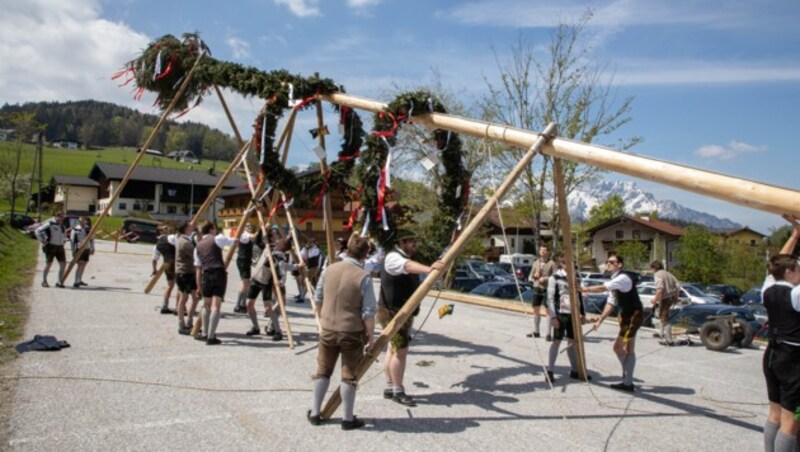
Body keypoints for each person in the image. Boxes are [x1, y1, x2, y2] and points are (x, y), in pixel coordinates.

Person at [308, 235, 376, 430]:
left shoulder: (329, 269)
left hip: (328, 328)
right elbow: (368, 312)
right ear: (365, 254)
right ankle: (347, 418)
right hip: (351, 331)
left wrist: (322, 320)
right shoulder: (363, 276)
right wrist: (371, 337)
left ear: (347, 249)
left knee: (322, 370)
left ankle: (314, 412)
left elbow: (318, 297)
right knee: (349, 375)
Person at [378, 229, 444, 406]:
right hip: (392, 311)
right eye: (410, 241)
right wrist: (430, 269)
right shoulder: (393, 257)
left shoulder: (401, 256)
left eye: (414, 241)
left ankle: (390, 386)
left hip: (401, 310)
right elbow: (406, 266)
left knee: (393, 349)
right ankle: (397, 390)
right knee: (400, 351)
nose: (414, 244)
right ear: (400, 243)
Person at [761, 215, 800, 452]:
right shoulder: (796, 295)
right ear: (789, 273)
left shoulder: (768, 287)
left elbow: (776, 263)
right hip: (793, 359)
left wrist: (795, 235)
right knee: (792, 420)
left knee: (775, 414)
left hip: (772, 355)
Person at [581, 254, 643, 392]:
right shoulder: (616, 280)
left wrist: (585, 289)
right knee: (628, 348)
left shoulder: (622, 278)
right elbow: (611, 302)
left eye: (611, 262)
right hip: (626, 317)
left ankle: (628, 380)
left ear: (619, 265)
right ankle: (628, 379)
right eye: (607, 261)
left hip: (633, 317)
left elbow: (603, 288)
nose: (608, 264)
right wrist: (600, 321)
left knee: (619, 347)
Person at [545, 253, 588, 383]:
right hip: (560, 313)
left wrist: (582, 313)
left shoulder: (576, 278)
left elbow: (579, 296)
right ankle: (550, 370)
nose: (572, 267)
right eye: (569, 264)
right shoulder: (555, 277)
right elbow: (550, 298)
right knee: (557, 341)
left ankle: (575, 370)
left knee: (572, 342)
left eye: (574, 265)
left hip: (573, 314)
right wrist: (553, 317)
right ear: (563, 264)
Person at [193, 222, 236, 345]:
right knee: (216, 306)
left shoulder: (198, 246)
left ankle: (205, 333)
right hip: (218, 273)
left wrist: (198, 286)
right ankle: (211, 336)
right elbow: (234, 241)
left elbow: (198, 269)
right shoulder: (218, 238)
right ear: (212, 229)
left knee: (206, 305)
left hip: (206, 275)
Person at [244, 236, 290, 341]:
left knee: (268, 308)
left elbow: (282, 272)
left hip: (265, 282)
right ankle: (256, 327)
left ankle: (278, 331)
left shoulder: (280, 257)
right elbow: (260, 238)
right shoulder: (269, 248)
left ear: (282, 246)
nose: (277, 240)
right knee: (249, 304)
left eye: (280, 241)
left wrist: (281, 282)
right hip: (255, 279)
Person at [174, 221, 199, 335]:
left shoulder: (184, 239)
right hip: (184, 273)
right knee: (184, 298)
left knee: (195, 297)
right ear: (185, 229)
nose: (192, 227)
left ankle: (189, 321)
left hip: (189, 272)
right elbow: (197, 254)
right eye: (190, 226)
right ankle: (181, 324)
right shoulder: (184, 242)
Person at [527, 244, 556, 340]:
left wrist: (546, 279)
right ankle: (536, 331)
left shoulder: (552, 263)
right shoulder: (535, 262)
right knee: (535, 309)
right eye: (541, 250)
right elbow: (529, 277)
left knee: (548, 311)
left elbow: (555, 277)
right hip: (536, 288)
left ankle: (548, 334)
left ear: (548, 252)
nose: (543, 252)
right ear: (539, 252)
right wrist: (534, 277)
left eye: (545, 250)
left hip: (547, 289)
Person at [649, 261, 681, 346]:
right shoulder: (669, 274)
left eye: (651, 269)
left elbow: (660, 288)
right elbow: (678, 286)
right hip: (672, 296)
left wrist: (655, 300)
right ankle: (661, 334)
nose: (651, 270)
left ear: (654, 268)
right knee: (661, 316)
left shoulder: (657, 274)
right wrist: (676, 297)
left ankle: (669, 340)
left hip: (665, 298)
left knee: (665, 319)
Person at [35, 212, 68, 288]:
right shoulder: (50, 224)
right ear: (56, 217)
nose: (62, 219)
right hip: (51, 246)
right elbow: (37, 231)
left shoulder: (63, 226)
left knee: (63, 264)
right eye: (61, 217)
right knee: (49, 264)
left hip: (60, 246)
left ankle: (59, 282)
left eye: (63, 217)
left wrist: (64, 239)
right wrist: (43, 241)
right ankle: (44, 281)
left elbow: (64, 235)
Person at [152, 225, 178, 315]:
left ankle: (165, 306)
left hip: (167, 264)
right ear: (161, 232)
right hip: (176, 263)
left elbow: (154, 259)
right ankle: (179, 308)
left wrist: (154, 270)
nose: (168, 229)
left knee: (170, 286)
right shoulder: (171, 237)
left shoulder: (157, 245)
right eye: (165, 229)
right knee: (180, 287)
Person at [234, 224, 257, 314]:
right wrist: (264, 227)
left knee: (247, 283)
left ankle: (243, 304)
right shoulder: (244, 234)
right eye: (248, 226)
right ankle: (238, 305)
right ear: (244, 228)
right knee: (245, 284)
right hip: (242, 260)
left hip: (246, 261)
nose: (250, 228)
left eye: (251, 226)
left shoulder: (248, 236)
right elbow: (254, 235)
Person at [69, 216, 94, 288]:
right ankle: (76, 281)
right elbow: (72, 241)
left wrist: (92, 248)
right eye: (80, 221)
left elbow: (92, 239)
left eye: (83, 220)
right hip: (79, 248)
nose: (82, 222)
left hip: (87, 248)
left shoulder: (88, 229)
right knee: (80, 265)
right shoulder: (75, 229)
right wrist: (73, 251)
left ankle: (80, 280)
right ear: (78, 221)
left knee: (84, 265)